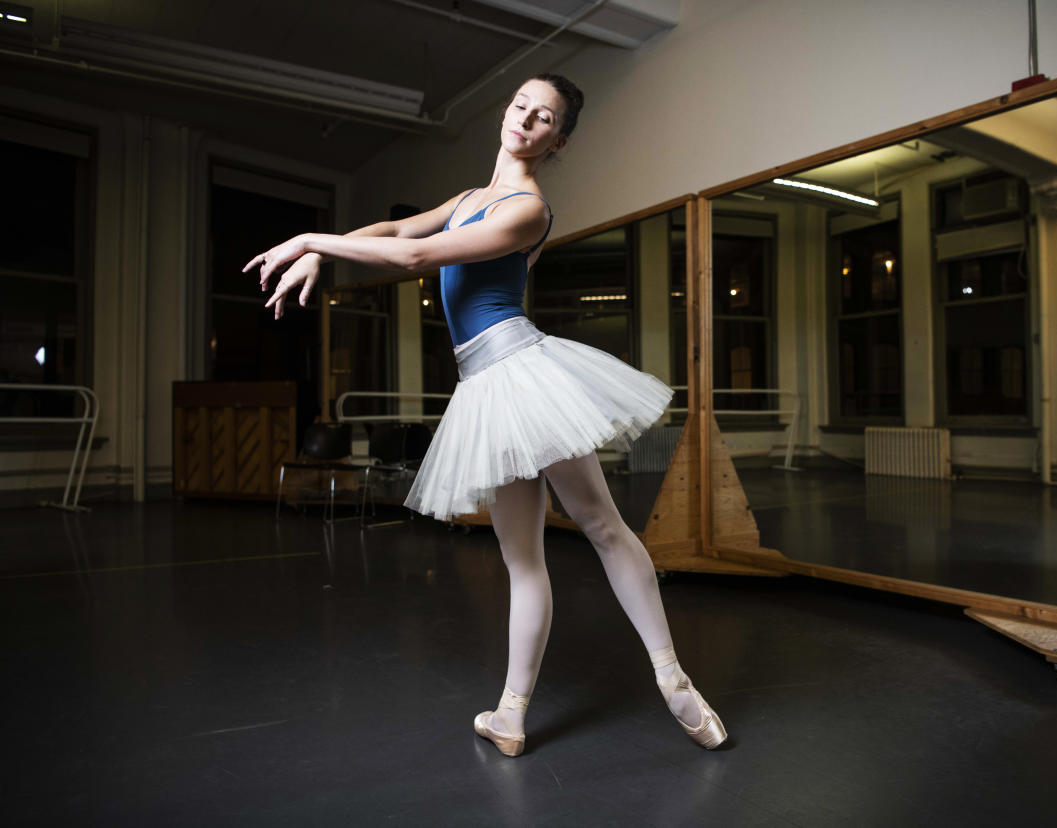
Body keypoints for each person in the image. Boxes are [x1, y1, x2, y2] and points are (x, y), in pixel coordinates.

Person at [244, 74, 727, 756]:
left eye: (544, 119)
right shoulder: (472, 198)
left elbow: (413, 256)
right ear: (508, 112)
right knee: (521, 559)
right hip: (484, 387)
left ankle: (674, 679)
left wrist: (306, 238)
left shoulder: (528, 208)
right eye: (521, 107)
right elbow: (393, 229)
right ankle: (510, 715)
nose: (526, 121)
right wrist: (325, 249)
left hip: (521, 370)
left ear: (557, 140)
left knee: (603, 527)